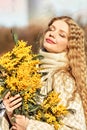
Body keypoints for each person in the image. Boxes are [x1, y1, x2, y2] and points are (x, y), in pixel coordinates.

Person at [2, 16, 87, 130]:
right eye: (51, 29)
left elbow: (76, 128)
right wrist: (10, 113)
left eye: (61, 35)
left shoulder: (63, 79)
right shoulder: (31, 70)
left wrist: (29, 126)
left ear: (70, 46)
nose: (52, 34)